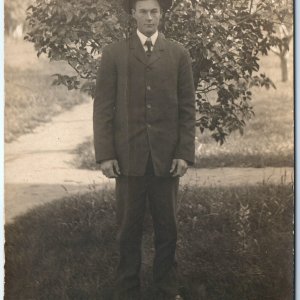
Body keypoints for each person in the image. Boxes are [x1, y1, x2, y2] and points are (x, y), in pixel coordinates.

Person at [93, 0, 195, 299]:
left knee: (168, 228)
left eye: (154, 12)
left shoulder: (178, 54)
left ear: (161, 14)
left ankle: (166, 287)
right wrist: (106, 154)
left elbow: (188, 109)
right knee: (128, 228)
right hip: (128, 158)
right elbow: (103, 109)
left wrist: (184, 153)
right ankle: (126, 289)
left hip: (166, 159)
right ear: (133, 14)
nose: (149, 18)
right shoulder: (114, 54)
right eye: (143, 12)